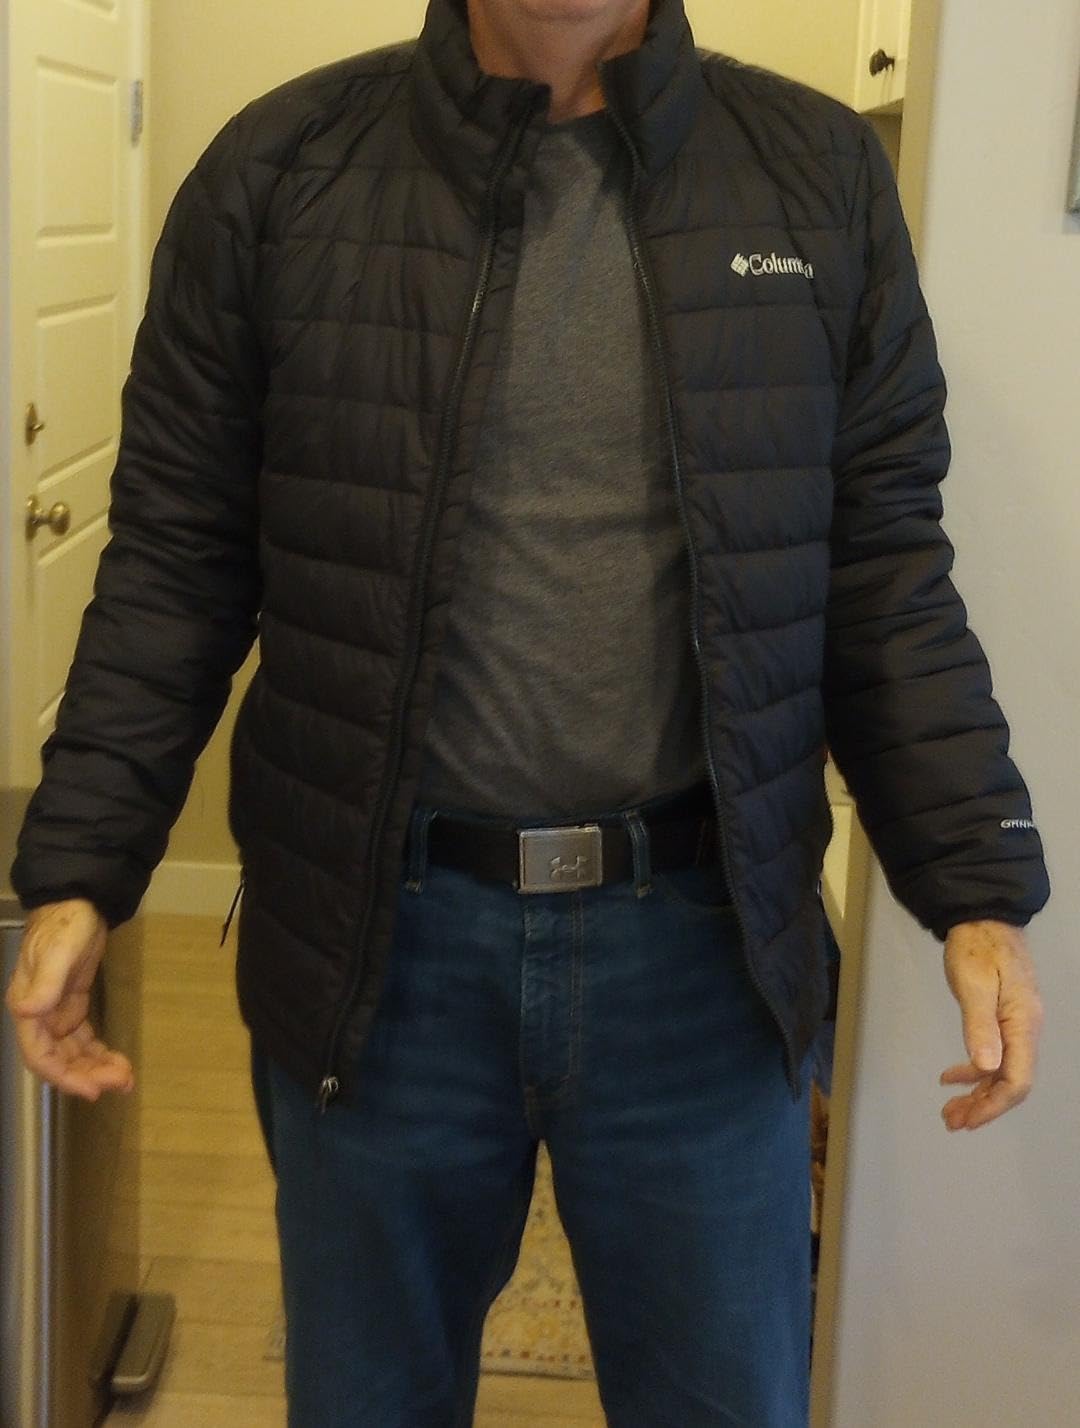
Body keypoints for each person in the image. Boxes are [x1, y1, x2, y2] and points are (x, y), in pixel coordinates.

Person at [5, 0, 1050, 1423]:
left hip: (702, 959)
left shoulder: (814, 173)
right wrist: (82, 865)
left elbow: (882, 572)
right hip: (380, 956)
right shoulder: (278, 170)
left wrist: (976, 890)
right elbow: (177, 561)